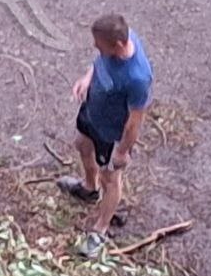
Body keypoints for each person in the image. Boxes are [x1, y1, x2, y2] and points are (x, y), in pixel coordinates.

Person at [57, 13, 153, 258]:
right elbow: (99, 62)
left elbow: (135, 120)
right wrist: (87, 79)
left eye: (100, 45)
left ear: (118, 45)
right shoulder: (120, 39)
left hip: (110, 133)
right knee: (81, 144)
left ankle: (100, 229)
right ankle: (90, 188)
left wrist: (122, 151)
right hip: (92, 111)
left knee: (112, 179)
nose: (95, 47)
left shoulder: (137, 78)